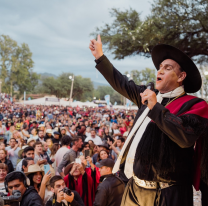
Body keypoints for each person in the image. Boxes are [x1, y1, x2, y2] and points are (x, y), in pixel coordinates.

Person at [89, 37, 208, 205]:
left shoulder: (195, 104)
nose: (159, 71)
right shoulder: (148, 96)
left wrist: (155, 107)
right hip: (134, 189)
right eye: (159, 67)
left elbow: (185, 138)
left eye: (167, 68)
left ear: (181, 76)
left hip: (167, 194)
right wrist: (100, 56)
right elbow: (122, 83)